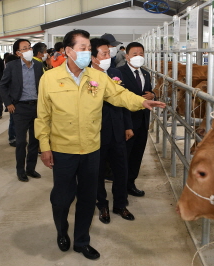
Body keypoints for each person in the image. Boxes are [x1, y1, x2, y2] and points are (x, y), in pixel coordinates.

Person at [34, 29, 165, 260]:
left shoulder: (96, 78)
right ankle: (62, 230)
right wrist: (45, 147)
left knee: (87, 197)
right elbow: (43, 117)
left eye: (87, 48)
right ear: (68, 51)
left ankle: (82, 241)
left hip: (91, 149)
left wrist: (142, 102)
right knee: (62, 197)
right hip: (63, 150)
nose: (86, 52)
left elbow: (119, 95)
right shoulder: (50, 78)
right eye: (82, 48)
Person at [90, 38, 135, 224]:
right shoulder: (86, 76)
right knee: (98, 171)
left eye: (109, 53)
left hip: (117, 129)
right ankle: (102, 204)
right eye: (105, 53)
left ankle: (120, 204)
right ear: (93, 57)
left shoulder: (115, 73)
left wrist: (128, 125)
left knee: (121, 168)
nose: (109, 57)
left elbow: (123, 100)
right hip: (97, 131)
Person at [0, 39, 44, 182]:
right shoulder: (12, 66)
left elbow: (42, 84)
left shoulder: (38, 65)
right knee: (21, 142)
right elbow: (3, 86)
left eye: (29, 47)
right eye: (25, 48)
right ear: (18, 53)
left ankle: (31, 169)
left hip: (36, 107)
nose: (29, 50)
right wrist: (8, 103)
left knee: (34, 141)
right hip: (20, 108)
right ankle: (20, 170)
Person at [117, 42, 155, 197]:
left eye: (141, 54)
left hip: (143, 121)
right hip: (128, 123)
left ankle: (130, 183)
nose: (138, 57)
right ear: (127, 56)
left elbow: (149, 92)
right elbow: (119, 100)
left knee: (137, 155)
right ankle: (120, 186)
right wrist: (126, 125)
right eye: (134, 54)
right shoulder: (118, 73)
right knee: (123, 156)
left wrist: (153, 95)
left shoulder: (145, 74)